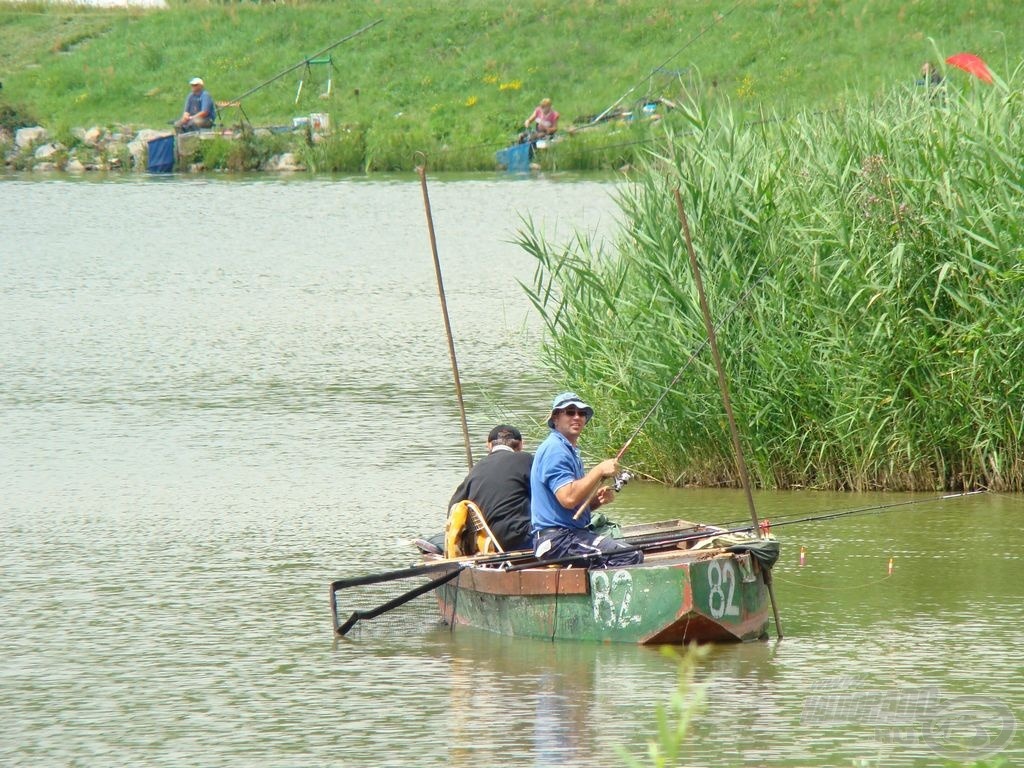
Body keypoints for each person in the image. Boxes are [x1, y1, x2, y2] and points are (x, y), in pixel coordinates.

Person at [530, 392, 642, 568]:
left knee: (627, 551)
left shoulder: (569, 450)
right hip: (557, 541)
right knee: (629, 555)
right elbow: (568, 498)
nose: (577, 417)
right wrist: (598, 470)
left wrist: (594, 502)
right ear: (556, 418)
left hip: (571, 534)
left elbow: (569, 507)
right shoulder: (555, 450)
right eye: (570, 412)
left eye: (582, 413)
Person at [416, 424, 534, 555]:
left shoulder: (477, 468)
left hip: (484, 541)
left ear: (489, 445)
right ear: (521, 445)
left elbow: (453, 508)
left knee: (439, 537)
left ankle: (440, 547)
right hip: (520, 538)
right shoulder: (527, 459)